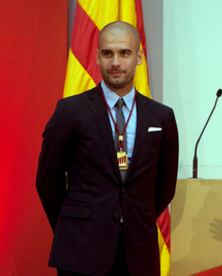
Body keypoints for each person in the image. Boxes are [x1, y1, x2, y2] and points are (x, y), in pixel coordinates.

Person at [36, 21, 179, 276]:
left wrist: (133, 215)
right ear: (97, 57)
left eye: (124, 53)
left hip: (138, 251)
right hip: (80, 249)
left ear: (139, 57)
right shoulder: (70, 111)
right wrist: (73, 223)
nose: (115, 62)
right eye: (107, 53)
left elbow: (165, 186)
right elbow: (48, 181)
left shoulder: (162, 117)